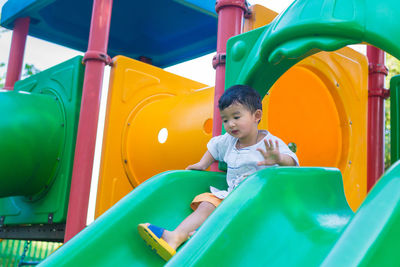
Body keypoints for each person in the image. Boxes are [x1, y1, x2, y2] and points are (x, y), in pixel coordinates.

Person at [137, 84, 299, 261]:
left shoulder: (269, 143)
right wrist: (202, 164)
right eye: (225, 120)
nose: (231, 124)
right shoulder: (229, 141)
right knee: (207, 202)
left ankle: (198, 235)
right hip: (232, 197)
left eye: (236, 117)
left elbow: (292, 161)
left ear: (256, 116)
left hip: (260, 200)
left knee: (227, 217)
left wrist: (278, 159)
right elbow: (214, 148)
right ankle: (175, 237)